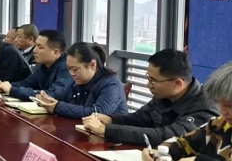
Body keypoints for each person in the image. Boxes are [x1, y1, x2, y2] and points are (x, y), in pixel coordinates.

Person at [83, 49, 218, 145]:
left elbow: (167, 136)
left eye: (153, 81)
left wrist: (106, 130)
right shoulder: (164, 96)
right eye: (148, 78)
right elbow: (140, 118)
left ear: (178, 84)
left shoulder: (205, 107)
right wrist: (111, 120)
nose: (148, 85)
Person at [141, 62, 232, 161]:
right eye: (218, 103)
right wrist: (160, 153)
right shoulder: (219, 124)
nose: (222, 111)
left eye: (229, 105)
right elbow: (183, 143)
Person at [36, 42, 127, 118]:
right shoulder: (79, 82)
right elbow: (68, 103)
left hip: (109, 133)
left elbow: (98, 113)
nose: (71, 73)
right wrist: (49, 102)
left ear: (92, 65)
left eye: (75, 69)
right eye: (69, 69)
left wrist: (57, 107)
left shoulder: (111, 85)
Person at [0, 30, 73, 101]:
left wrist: (12, 90)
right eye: (35, 46)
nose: (34, 50)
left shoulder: (67, 67)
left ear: (55, 52)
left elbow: (53, 94)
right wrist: (3, 86)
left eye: (40, 47)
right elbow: (27, 83)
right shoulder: (43, 66)